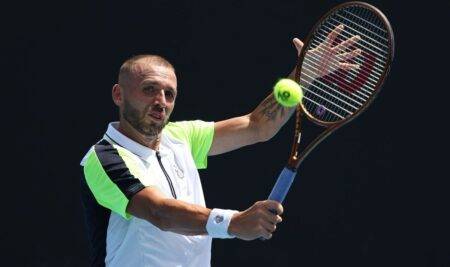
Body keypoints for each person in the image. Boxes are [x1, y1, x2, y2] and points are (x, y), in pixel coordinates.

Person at [80, 28, 360, 267]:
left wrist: (302, 74)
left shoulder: (181, 137)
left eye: (169, 93)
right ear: (119, 94)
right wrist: (234, 222)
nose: (161, 101)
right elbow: (159, 212)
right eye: (149, 89)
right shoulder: (103, 158)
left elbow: (257, 124)